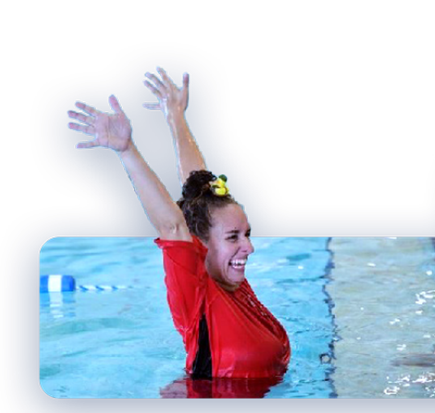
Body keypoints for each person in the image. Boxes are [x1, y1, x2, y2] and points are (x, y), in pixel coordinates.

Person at [65, 67, 290, 395]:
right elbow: (171, 225)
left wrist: (176, 118)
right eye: (233, 237)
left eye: (247, 234)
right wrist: (127, 151)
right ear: (200, 244)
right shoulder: (198, 294)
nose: (248, 248)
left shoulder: (231, 283)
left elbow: (199, 188)